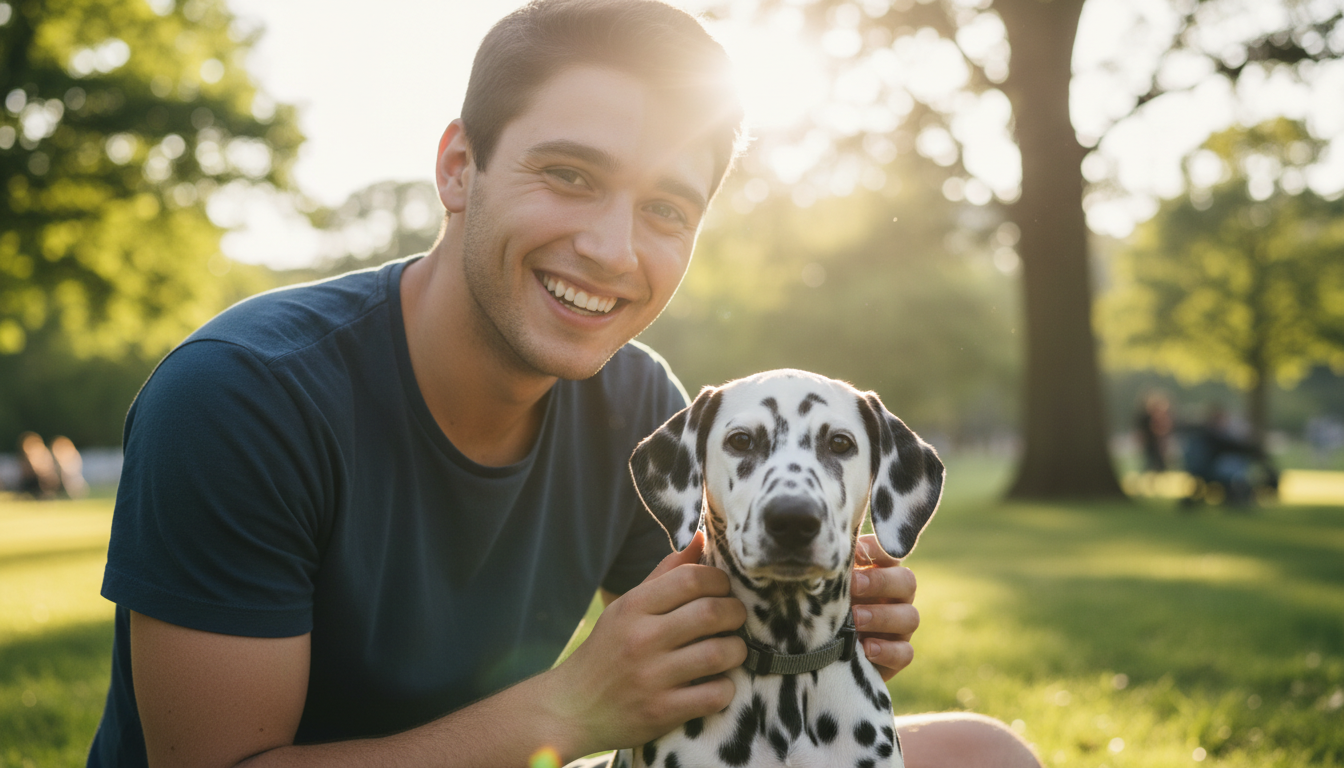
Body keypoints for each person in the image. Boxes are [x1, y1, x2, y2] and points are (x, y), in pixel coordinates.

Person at [88, 2, 1040, 766]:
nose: (613, 250)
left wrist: (837, 611)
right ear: (461, 168)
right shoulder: (241, 398)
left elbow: (715, 655)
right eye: (571, 174)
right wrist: (573, 706)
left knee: (981, 754)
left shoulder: (636, 403)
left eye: (666, 206)